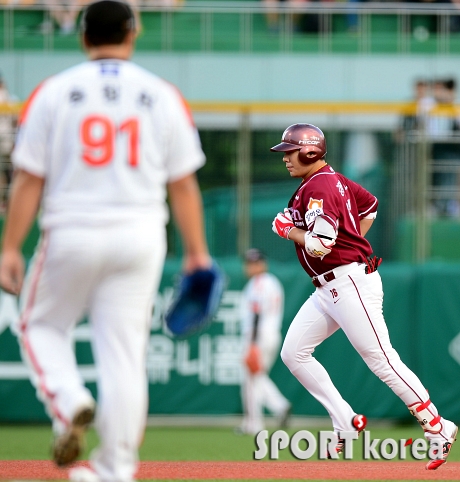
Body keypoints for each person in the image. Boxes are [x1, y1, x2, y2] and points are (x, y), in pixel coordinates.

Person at [0, 1, 211, 481]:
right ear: (132, 33)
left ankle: (70, 399)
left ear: (82, 36)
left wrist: (10, 247)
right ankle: (116, 469)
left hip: (72, 229)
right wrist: (197, 252)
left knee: (39, 326)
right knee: (123, 353)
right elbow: (182, 185)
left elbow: (28, 179)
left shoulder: (52, 92)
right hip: (141, 234)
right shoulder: (161, 94)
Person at [270, 123, 457, 469]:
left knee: (382, 361)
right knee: (293, 352)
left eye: (290, 151)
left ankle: (438, 426)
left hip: (349, 282)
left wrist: (289, 230)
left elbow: (321, 245)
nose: (285, 158)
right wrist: (350, 238)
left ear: (310, 150)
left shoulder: (321, 186)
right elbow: (369, 207)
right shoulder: (330, 180)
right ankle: (344, 420)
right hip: (329, 287)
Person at [237, 248, 291, 435]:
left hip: (259, 335)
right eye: (249, 263)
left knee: (251, 379)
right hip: (270, 334)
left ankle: (254, 424)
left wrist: (252, 344)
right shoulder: (273, 282)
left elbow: (257, 314)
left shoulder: (259, 283)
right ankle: (279, 406)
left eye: (255, 262)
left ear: (263, 264)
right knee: (257, 376)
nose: (251, 266)